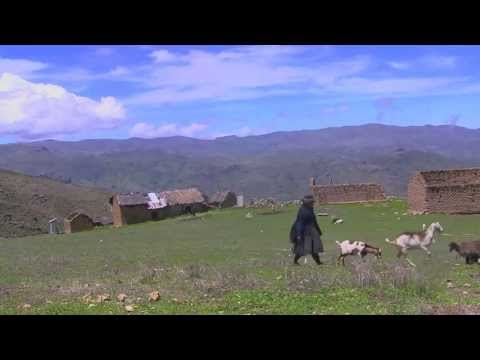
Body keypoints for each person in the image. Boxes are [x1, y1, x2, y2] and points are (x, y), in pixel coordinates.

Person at [289, 195, 324, 265]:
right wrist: (299, 235)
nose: (313, 204)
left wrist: (318, 230)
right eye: (311, 202)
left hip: (312, 231)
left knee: (314, 248)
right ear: (307, 203)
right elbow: (299, 223)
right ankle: (295, 261)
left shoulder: (310, 209)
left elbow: (314, 221)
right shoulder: (303, 211)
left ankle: (318, 262)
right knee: (302, 249)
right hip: (305, 232)